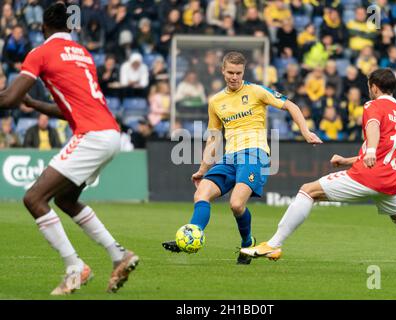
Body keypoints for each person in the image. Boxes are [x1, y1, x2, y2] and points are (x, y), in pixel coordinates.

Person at [241, 68, 396, 275]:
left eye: (369, 86)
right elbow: (386, 150)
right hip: (391, 181)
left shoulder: (373, 106)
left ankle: (274, 244)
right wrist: (347, 161)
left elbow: (373, 129)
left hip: (368, 176)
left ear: (374, 87)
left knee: (308, 191)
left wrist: (371, 149)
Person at [0, 3, 139, 295]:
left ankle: (75, 267)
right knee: (65, 199)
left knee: (33, 198)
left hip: (92, 135)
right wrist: (35, 104)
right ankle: (118, 255)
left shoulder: (41, 52)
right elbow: (70, 109)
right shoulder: (83, 54)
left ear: (42, 28)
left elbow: (10, 99)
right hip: (111, 133)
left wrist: (18, 97)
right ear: (71, 26)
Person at [162, 51, 322, 264]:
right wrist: (202, 170)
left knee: (236, 205)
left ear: (243, 71)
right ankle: (192, 235)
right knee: (201, 193)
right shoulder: (216, 101)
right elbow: (213, 138)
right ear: (223, 70)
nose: (234, 77)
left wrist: (305, 131)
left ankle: (247, 243)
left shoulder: (256, 91)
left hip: (254, 153)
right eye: (230, 72)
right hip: (230, 157)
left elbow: (291, 106)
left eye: (238, 72)